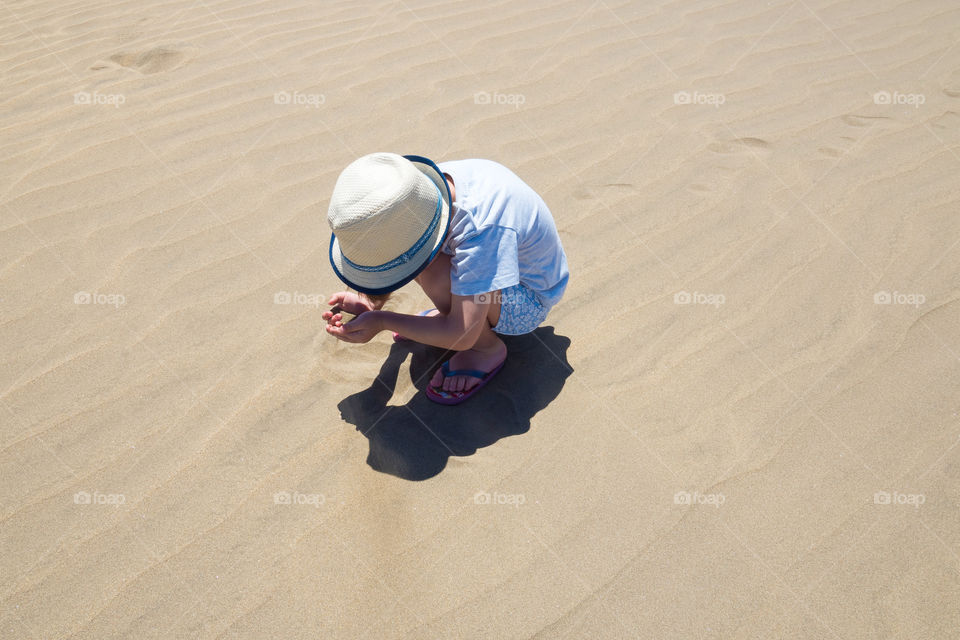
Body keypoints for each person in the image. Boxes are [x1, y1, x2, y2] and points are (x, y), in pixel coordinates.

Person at [323, 152, 568, 404]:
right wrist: (371, 300)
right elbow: (395, 245)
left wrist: (384, 321)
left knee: (433, 272)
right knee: (417, 255)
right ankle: (458, 311)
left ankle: (485, 349)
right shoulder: (413, 191)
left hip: (529, 298)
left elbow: (461, 333)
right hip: (496, 267)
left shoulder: (478, 230)